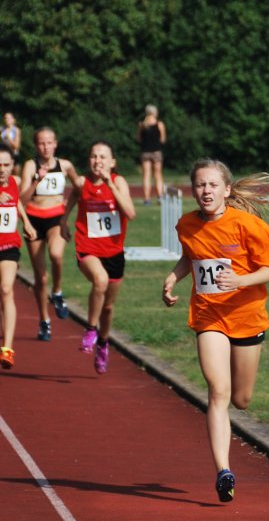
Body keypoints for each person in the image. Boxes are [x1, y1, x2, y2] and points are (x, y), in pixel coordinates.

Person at [162, 159, 269, 503]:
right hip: (209, 317)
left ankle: (234, 416)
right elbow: (191, 257)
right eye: (200, 185)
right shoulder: (186, 224)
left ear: (227, 190)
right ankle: (223, 471)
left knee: (241, 400)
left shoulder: (249, 225)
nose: (206, 191)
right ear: (193, 190)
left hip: (246, 318)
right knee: (218, 391)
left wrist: (241, 280)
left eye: (213, 185)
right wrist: (173, 278)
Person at [60, 141, 136, 375]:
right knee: (100, 280)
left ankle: (103, 342)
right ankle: (91, 329)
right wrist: (64, 221)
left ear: (112, 162)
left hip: (114, 252)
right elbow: (73, 197)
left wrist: (111, 185)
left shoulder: (119, 182)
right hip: (87, 248)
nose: (98, 161)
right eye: (94, 156)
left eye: (103, 157)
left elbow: (130, 213)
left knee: (109, 307)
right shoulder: (82, 182)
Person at [19, 126, 80, 339]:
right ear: (36, 146)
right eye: (41, 143)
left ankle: (57, 291)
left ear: (55, 144)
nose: (46, 147)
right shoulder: (30, 166)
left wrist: (66, 214)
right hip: (34, 220)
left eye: (49, 143)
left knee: (56, 254)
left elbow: (79, 189)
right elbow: (21, 199)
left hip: (56, 219)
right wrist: (37, 179)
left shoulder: (65, 165)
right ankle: (44, 321)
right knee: (41, 277)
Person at [0, 142, 37, 369]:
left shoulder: (14, 182)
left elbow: (17, 204)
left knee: (6, 289)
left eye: (6, 165)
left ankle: (7, 349)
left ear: (12, 165)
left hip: (9, 246)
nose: (2, 169)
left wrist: (27, 223)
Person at [137, 104, 167, 205]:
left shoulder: (142, 124)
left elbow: (139, 139)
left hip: (145, 152)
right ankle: (160, 197)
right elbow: (162, 139)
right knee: (158, 175)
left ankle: (147, 199)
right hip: (156, 152)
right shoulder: (159, 124)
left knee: (146, 175)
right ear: (155, 113)